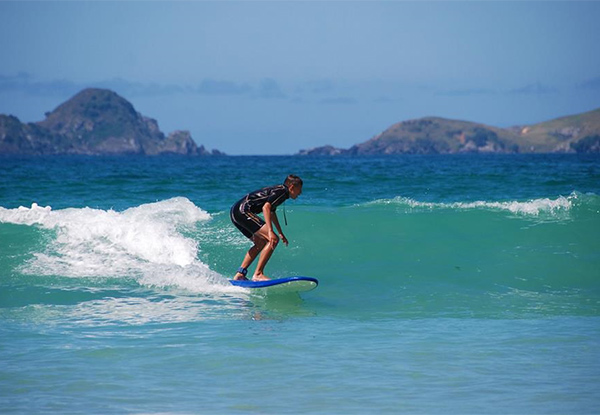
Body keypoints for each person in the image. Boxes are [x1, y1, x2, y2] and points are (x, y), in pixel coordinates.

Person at [230, 174, 303, 281]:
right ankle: (258, 274)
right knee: (272, 239)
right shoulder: (282, 191)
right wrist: (270, 231)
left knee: (260, 242)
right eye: (299, 190)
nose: (300, 193)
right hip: (243, 211)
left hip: (235, 212)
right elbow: (266, 207)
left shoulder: (279, 191)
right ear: (291, 187)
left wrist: (280, 232)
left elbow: (271, 211)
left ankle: (240, 273)